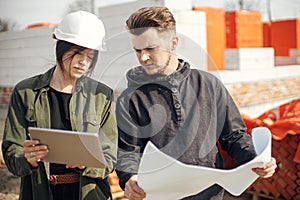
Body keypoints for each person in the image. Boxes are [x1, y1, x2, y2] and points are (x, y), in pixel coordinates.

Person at [115, 6, 277, 200]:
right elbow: (127, 152)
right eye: (138, 50)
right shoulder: (130, 99)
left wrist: (256, 160)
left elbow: (233, 136)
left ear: (173, 43)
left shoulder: (209, 85)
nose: (143, 57)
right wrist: (129, 178)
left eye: (150, 49)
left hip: (211, 195)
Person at [2, 11, 118, 200]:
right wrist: (26, 158)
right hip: (40, 192)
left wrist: (86, 162)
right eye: (77, 53)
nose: (83, 62)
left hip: (89, 194)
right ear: (59, 45)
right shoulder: (26, 92)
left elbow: (110, 156)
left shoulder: (101, 96)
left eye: (90, 56)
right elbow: (11, 151)